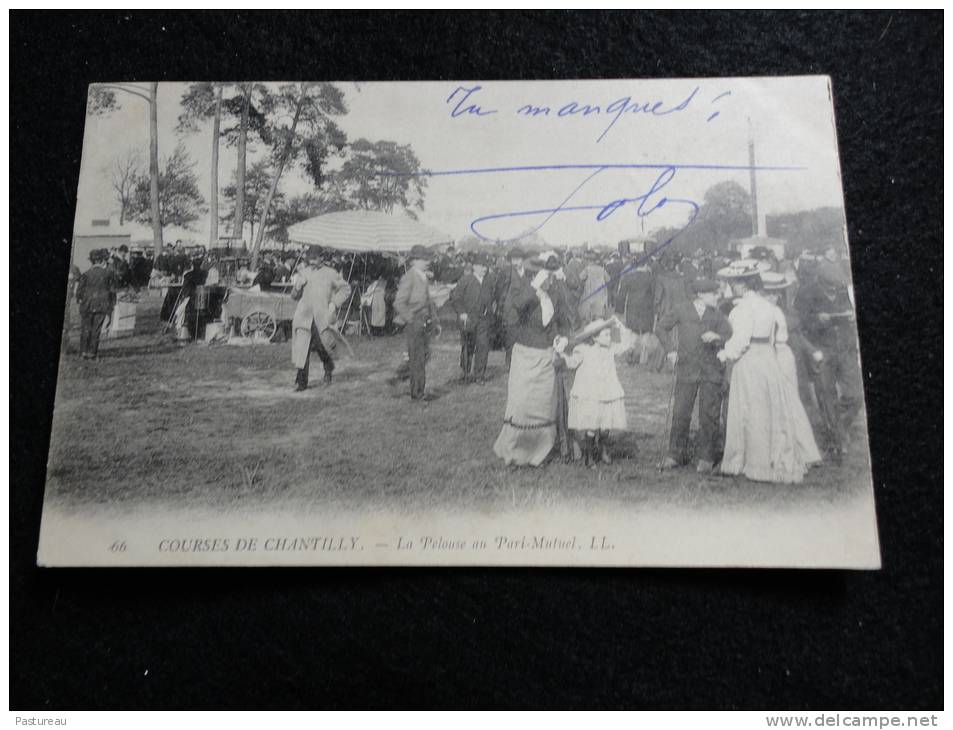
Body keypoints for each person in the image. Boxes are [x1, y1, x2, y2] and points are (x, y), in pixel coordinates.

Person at [715, 260, 820, 483]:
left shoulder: (742, 309)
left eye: (735, 283)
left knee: (750, 410)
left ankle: (749, 462)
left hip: (750, 359)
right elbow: (772, 338)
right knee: (769, 409)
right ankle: (769, 460)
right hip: (768, 358)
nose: (732, 287)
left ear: (743, 285)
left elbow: (741, 341)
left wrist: (723, 354)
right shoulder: (768, 307)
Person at [493, 257, 564, 466]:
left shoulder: (552, 293)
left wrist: (558, 337)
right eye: (544, 275)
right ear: (534, 275)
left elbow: (554, 321)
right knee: (522, 405)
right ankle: (515, 451)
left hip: (545, 355)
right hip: (526, 355)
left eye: (549, 276)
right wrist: (534, 287)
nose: (548, 280)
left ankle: (540, 452)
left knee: (543, 406)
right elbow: (516, 307)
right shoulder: (521, 290)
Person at [657, 279, 732, 473]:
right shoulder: (682, 309)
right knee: (681, 412)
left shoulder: (718, 315)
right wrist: (671, 351)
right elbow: (661, 327)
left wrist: (717, 338)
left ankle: (706, 457)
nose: (718, 297)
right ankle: (675, 454)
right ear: (701, 295)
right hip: (687, 369)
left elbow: (730, 335)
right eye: (714, 294)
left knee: (709, 414)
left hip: (711, 370)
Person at [795, 260, 863, 459]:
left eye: (837, 287)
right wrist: (817, 320)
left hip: (845, 349)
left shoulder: (843, 291)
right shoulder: (806, 293)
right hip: (821, 350)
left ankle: (839, 427)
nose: (835, 290)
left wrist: (851, 318)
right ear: (821, 282)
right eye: (830, 287)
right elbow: (799, 324)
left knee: (855, 395)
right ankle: (836, 439)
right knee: (826, 395)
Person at [555, 316, 637, 467]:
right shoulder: (584, 350)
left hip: (607, 392)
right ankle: (589, 455)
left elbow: (627, 343)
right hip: (591, 393)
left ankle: (603, 449)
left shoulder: (611, 348)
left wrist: (619, 326)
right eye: (605, 334)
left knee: (605, 425)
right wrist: (561, 354)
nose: (609, 336)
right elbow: (572, 363)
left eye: (609, 333)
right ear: (595, 338)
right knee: (592, 424)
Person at [761, 272, 823, 465]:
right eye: (767, 293)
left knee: (790, 401)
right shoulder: (758, 310)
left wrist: (812, 351)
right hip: (767, 356)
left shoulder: (785, 313)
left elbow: (795, 336)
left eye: (776, 293)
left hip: (782, 357)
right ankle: (771, 449)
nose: (772, 297)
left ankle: (803, 450)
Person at [291, 253, 350, 391]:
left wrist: (334, 303)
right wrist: (297, 287)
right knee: (302, 349)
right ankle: (301, 382)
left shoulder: (331, 273)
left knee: (322, 346)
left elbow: (345, 289)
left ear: (321, 259)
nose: (311, 263)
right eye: (309, 260)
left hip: (321, 317)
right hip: (304, 317)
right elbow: (294, 296)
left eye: (314, 259)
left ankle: (328, 367)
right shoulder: (303, 273)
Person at [394, 245, 440, 400]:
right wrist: (411, 319)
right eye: (423, 259)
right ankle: (417, 393)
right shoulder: (409, 277)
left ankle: (420, 389)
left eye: (427, 259)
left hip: (424, 322)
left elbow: (429, 302)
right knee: (417, 359)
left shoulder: (423, 276)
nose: (427, 262)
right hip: (414, 323)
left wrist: (435, 321)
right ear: (413, 261)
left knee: (423, 357)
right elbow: (399, 303)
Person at [449, 253, 497, 384]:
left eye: (486, 266)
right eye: (482, 266)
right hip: (469, 319)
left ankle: (479, 375)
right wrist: (462, 312)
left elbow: (494, 296)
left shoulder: (490, 280)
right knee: (467, 347)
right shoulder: (466, 280)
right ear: (475, 267)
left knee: (483, 346)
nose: (484, 269)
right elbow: (455, 298)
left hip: (484, 319)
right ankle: (465, 372)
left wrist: (492, 307)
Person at [75, 249, 117, 360]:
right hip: (102, 304)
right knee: (96, 329)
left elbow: (79, 292)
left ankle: (83, 352)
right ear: (102, 260)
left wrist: (80, 299)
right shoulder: (109, 274)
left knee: (85, 328)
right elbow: (112, 291)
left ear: (92, 261)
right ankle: (92, 353)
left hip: (87, 305)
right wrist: (112, 304)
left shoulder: (86, 274)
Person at [617, 257, 656, 366]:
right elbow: (654, 294)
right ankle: (644, 354)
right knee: (646, 330)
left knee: (632, 329)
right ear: (645, 265)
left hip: (632, 307)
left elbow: (621, 295)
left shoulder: (628, 277)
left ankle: (630, 349)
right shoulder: (651, 278)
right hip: (647, 307)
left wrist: (619, 310)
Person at [498, 247, 531, 370]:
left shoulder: (528, 272)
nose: (515, 262)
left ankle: (521, 364)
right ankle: (510, 364)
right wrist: (502, 306)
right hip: (511, 311)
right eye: (513, 259)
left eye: (518, 259)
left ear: (522, 260)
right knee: (511, 339)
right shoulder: (506, 273)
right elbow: (500, 290)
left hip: (525, 311)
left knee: (523, 338)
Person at [180, 256, 208, 341]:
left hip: (191, 299)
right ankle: (200, 333)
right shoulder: (205, 273)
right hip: (202, 298)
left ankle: (190, 333)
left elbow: (184, 288)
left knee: (189, 313)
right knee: (200, 313)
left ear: (192, 265)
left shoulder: (188, 275)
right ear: (201, 264)